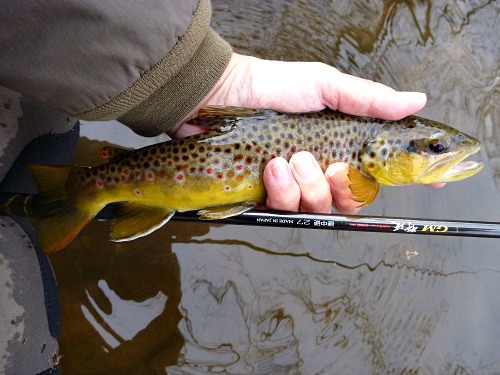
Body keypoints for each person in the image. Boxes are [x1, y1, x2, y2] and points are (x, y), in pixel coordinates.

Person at [0, 0, 433, 373]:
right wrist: (204, 81)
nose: (440, 156)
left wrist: (203, 80)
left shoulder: (363, 166)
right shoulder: (364, 178)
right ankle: (81, 192)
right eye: (432, 148)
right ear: (383, 150)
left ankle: (79, 189)